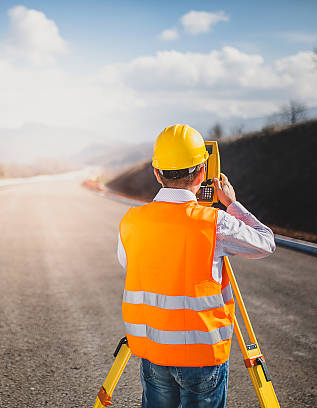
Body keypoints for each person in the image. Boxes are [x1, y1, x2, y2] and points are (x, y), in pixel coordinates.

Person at [117, 124, 275, 408]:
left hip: (153, 351)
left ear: (157, 173)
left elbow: (128, 261)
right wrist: (232, 204)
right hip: (201, 357)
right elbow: (265, 243)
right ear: (203, 173)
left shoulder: (131, 220)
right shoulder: (214, 222)